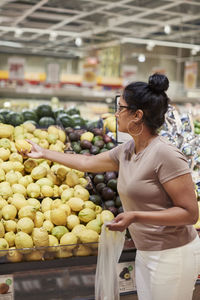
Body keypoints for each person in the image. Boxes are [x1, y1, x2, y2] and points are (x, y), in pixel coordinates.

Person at [23, 73, 200, 300]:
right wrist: (44, 153)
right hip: (146, 251)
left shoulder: (166, 155)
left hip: (172, 255)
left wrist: (135, 216)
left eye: (121, 107)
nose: (115, 114)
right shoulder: (128, 150)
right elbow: (88, 162)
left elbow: (189, 213)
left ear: (137, 115)